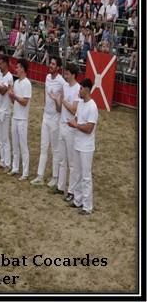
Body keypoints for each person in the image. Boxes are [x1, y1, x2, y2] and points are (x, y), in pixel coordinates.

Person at [31, 57, 65, 186]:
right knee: (43, 146)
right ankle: (40, 176)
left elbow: (60, 104)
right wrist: (45, 107)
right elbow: (46, 96)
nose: (50, 65)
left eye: (53, 64)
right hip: (46, 116)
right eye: (50, 63)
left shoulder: (61, 82)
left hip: (55, 118)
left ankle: (55, 177)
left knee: (55, 149)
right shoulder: (47, 78)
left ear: (58, 67)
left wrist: (56, 103)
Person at [67, 78, 98, 215]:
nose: (79, 91)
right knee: (78, 174)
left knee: (86, 176)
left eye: (80, 88)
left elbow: (89, 128)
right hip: (78, 143)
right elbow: (78, 119)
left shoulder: (92, 106)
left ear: (86, 89)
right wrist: (72, 122)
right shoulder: (80, 104)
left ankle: (87, 206)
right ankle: (78, 200)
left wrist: (76, 125)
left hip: (86, 146)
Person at [53, 63, 80, 200]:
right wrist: (57, 101)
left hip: (70, 128)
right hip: (62, 125)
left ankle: (72, 191)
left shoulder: (77, 89)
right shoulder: (65, 86)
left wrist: (62, 101)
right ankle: (60, 186)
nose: (66, 76)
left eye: (68, 73)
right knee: (61, 158)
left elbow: (74, 109)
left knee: (72, 162)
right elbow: (61, 107)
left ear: (73, 75)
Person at [7, 58, 32, 180]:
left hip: (22, 119)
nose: (16, 69)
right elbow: (14, 101)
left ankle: (25, 172)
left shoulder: (27, 83)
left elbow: (24, 102)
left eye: (17, 67)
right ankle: (15, 167)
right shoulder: (16, 83)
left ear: (22, 69)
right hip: (15, 116)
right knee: (15, 144)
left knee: (23, 145)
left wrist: (14, 96)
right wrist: (11, 94)